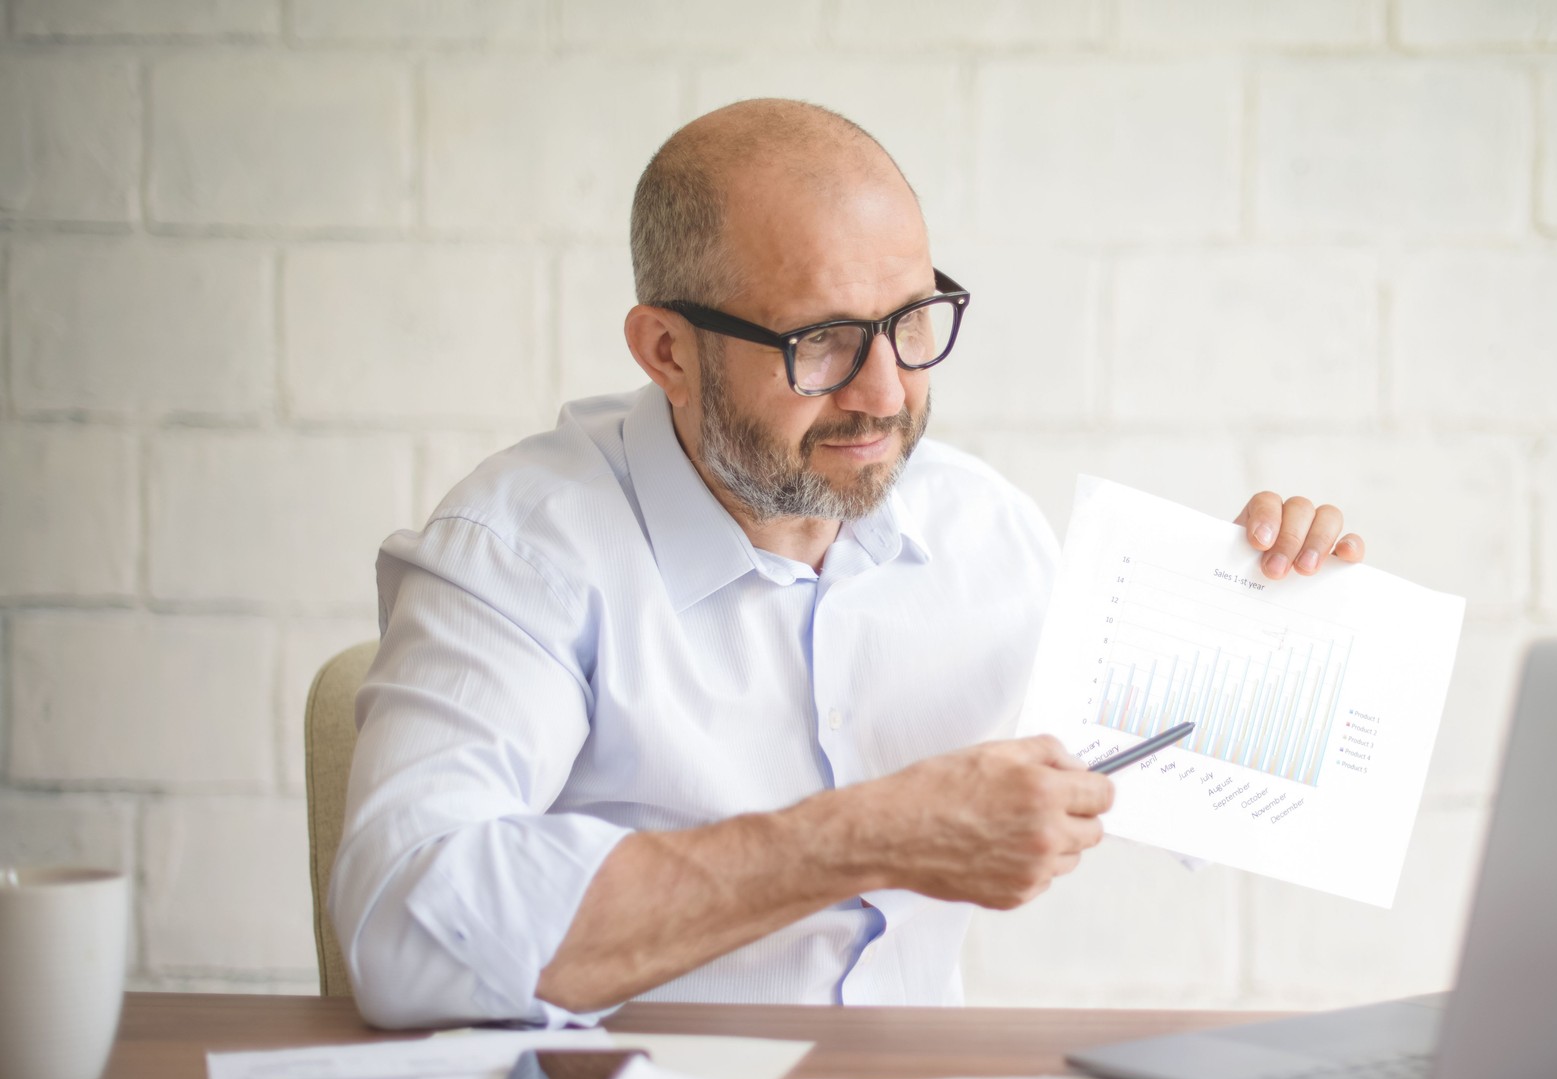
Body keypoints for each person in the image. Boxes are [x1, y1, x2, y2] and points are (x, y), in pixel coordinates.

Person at [330, 99, 1366, 1030]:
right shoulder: (519, 551)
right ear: (667, 352)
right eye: (822, 339)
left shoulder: (980, 528)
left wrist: (1276, 615)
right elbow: (406, 934)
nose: (884, 392)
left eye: (912, 322)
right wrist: (863, 836)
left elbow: (1226, 792)